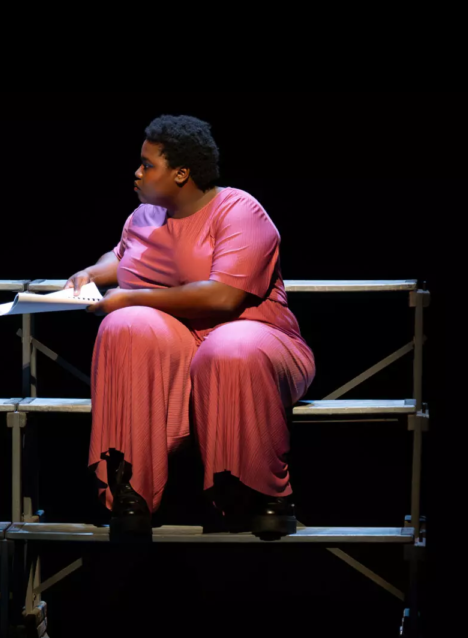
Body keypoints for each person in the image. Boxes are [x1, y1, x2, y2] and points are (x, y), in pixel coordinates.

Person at [69, 115, 314, 538]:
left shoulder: (239, 211)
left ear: (181, 173)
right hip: (181, 347)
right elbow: (122, 255)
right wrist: (91, 273)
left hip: (257, 337)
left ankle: (260, 492)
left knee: (229, 347)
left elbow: (223, 297)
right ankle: (131, 490)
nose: (138, 172)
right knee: (124, 326)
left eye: (148, 165)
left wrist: (131, 297)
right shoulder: (145, 216)